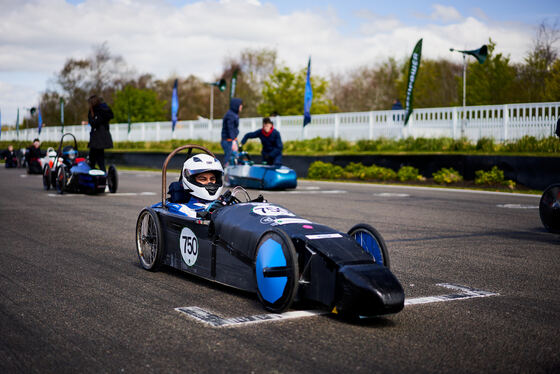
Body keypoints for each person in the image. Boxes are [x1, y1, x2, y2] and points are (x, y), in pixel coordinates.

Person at [87, 95, 114, 172]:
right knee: (96, 159)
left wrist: (95, 118)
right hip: (98, 139)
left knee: (97, 159)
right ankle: (100, 174)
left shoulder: (101, 111)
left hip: (98, 139)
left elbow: (94, 122)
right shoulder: (98, 111)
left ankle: (101, 175)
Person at [221, 98, 243, 166]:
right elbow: (230, 128)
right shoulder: (230, 115)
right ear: (236, 105)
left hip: (231, 140)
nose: (241, 106)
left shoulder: (233, 114)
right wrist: (233, 142)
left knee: (235, 158)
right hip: (229, 141)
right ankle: (226, 175)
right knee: (230, 159)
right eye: (240, 105)